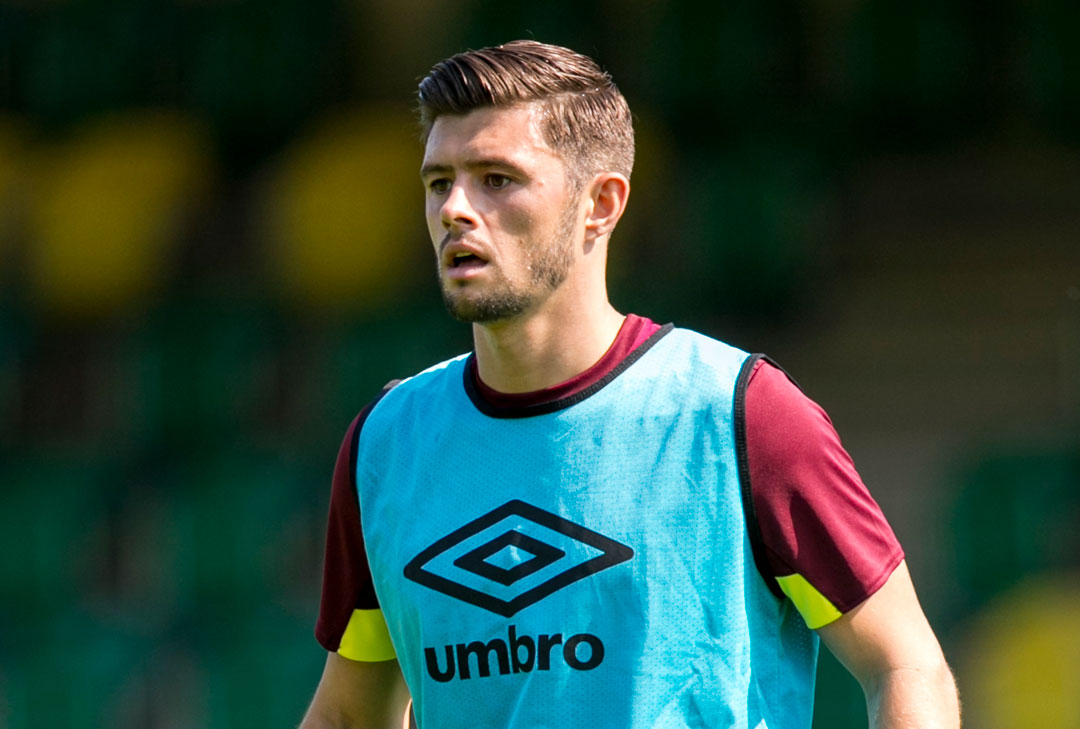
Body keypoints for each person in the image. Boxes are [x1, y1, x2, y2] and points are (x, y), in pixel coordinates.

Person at [299, 40, 960, 729]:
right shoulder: (387, 441)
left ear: (602, 204)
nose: (456, 209)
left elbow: (905, 663)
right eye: (440, 182)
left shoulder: (741, 413)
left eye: (496, 178)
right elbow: (350, 713)